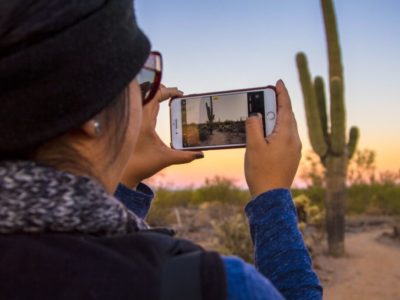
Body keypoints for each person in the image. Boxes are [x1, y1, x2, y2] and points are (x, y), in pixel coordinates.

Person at [0, 1, 322, 299]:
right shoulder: (198, 283)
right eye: (140, 79)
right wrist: (272, 197)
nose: (146, 97)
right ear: (90, 114)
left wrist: (123, 178)